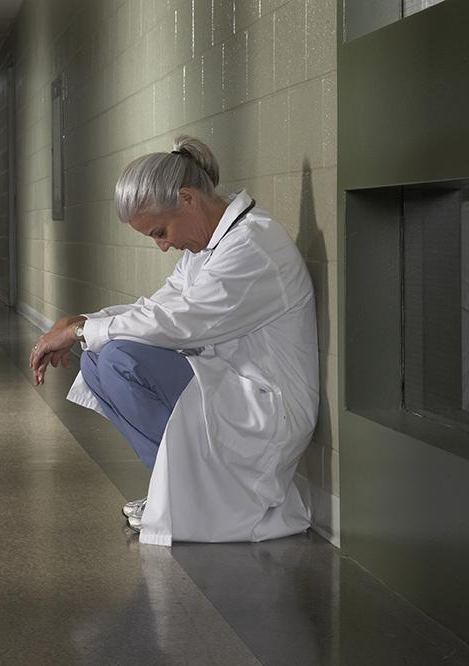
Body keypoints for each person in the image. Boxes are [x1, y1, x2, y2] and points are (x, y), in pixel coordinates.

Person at [28, 136, 320, 546]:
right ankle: (177, 492)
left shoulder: (252, 246)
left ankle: (194, 498)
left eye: (160, 232)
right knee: (96, 359)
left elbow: (179, 323)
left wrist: (79, 330)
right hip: (229, 386)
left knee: (117, 359)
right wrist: (84, 324)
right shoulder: (207, 248)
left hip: (267, 407)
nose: (163, 246)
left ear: (187, 199)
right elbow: (159, 306)